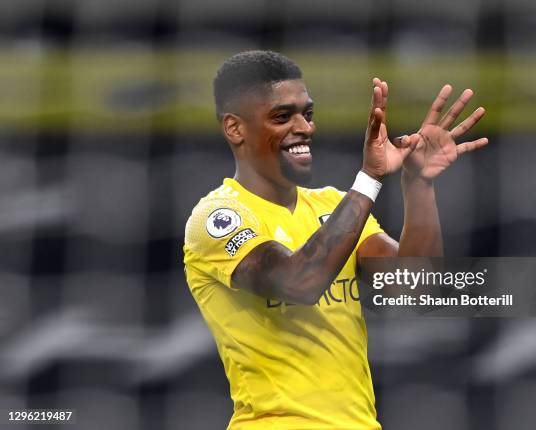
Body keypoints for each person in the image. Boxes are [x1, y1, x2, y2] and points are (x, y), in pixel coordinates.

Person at [183, 50, 487, 429]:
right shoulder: (216, 218)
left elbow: (416, 291)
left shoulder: (332, 206)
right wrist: (370, 178)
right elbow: (300, 282)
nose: (305, 128)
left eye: (307, 114)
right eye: (282, 116)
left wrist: (417, 184)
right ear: (235, 128)